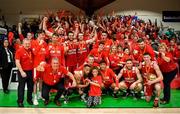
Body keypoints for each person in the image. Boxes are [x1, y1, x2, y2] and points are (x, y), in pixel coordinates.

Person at [15, 38, 34, 107]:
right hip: (22, 71)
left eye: (29, 44)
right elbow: (17, 62)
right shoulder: (19, 51)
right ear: (23, 44)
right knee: (21, 87)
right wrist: (22, 71)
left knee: (30, 87)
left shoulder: (31, 50)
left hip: (30, 71)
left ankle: (29, 99)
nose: (27, 45)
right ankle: (20, 101)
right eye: (26, 44)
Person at [31, 30, 47, 105]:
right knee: (35, 82)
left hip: (43, 66)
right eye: (42, 35)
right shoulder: (33, 42)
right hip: (36, 66)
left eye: (44, 35)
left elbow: (46, 55)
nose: (43, 36)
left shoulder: (45, 43)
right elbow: (34, 53)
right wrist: (40, 44)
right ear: (38, 35)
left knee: (41, 81)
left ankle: (40, 95)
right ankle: (34, 97)